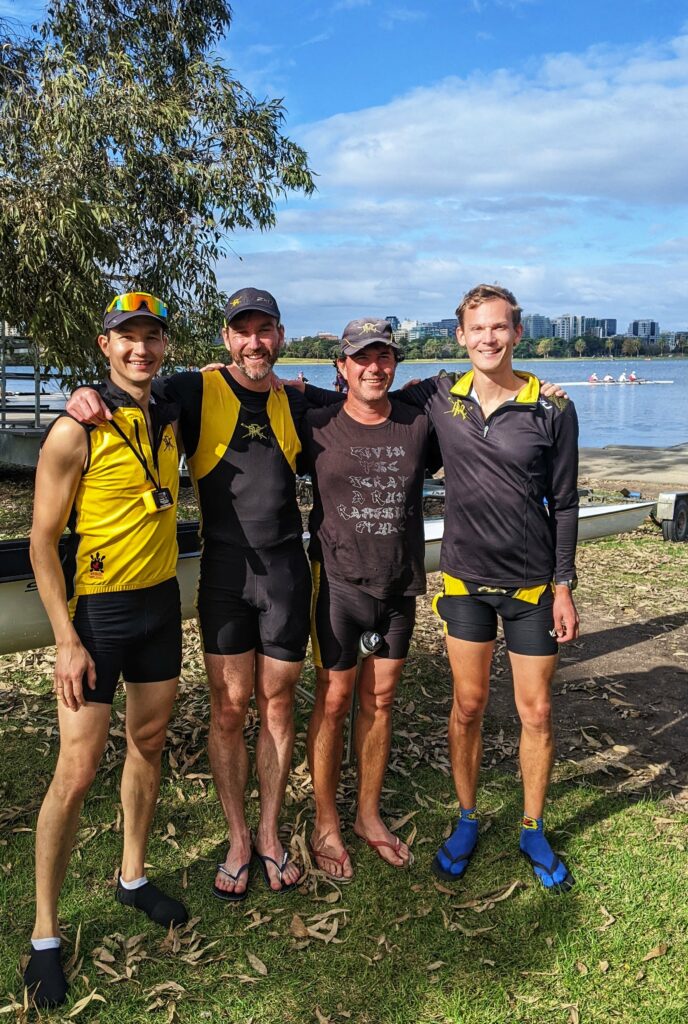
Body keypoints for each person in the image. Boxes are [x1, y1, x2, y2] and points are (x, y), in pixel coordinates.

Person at [66, 288, 309, 899]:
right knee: (229, 709)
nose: (255, 341)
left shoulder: (299, 400)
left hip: (285, 573)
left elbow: (376, 399)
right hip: (226, 574)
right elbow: (126, 393)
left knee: (277, 706)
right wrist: (80, 396)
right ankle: (235, 836)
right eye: (242, 330)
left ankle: (270, 834)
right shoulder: (195, 391)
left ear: (280, 336)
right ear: (226, 339)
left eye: (265, 330)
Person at [25, 292, 187, 1009]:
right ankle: (45, 936)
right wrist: (65, 640)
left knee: (148, 741)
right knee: (78, 770)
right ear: (104, 345)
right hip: (99, 617)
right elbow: (40, 542)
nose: (140, 350)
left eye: (151, 338)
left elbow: (236, 370)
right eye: (127, 339)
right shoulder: (73, 430)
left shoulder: (171, 410)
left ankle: (131, 877)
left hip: (160, 607)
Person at [395, 284, 579, 893]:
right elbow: (361, 393)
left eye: (499, 328)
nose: (488, 339)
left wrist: (563, 585)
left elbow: (567, 504)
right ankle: (468, 816)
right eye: (478, 329)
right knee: (468, 706)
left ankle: (532, 824)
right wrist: (259, 381)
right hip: (465, 583)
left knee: (537, 711)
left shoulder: (552, 408)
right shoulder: (441, 396)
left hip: (530, 588)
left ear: (517, 334)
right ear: (461, 336)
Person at [302, 319, 437, 879]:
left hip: (397, 586)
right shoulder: (316, 424)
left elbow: (474, 386)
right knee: (334, 702)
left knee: (379, 702)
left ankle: (367, 814)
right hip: (336, 585)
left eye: (384, 357)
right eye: (362, 358)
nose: (374, 367)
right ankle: (325, 819)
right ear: (342, 367)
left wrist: (538, 386)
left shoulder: (418, 424)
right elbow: (249, 398)